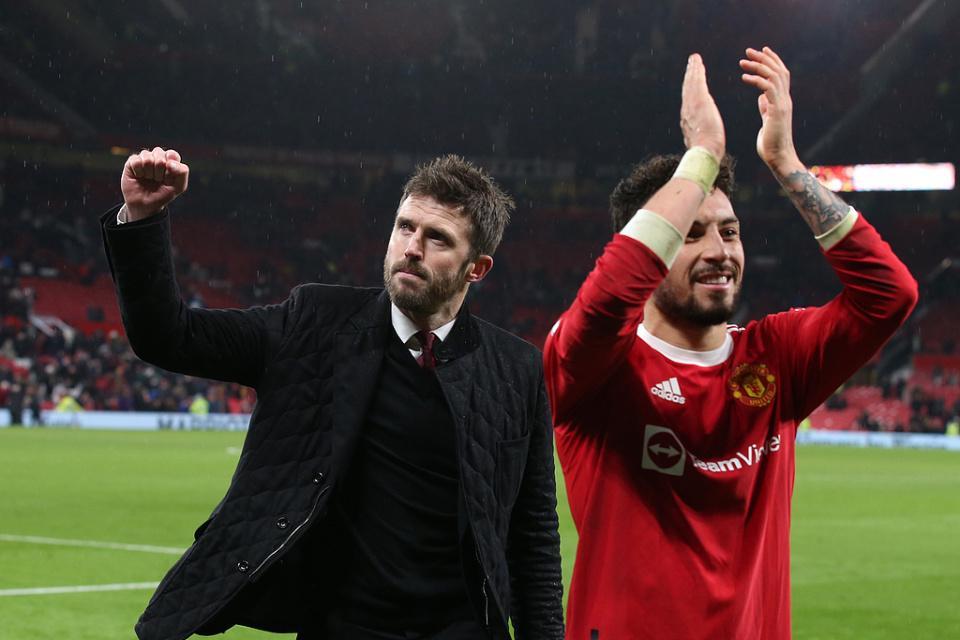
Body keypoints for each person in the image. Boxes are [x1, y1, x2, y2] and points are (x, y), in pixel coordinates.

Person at [102, 152, 563, 640]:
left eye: (438, 238)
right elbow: (169, 336)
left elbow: (532, 534)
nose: (412, 248)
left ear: (477, 268)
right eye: (405, 227)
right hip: (341, 626)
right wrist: (143, 218)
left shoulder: (515, 370)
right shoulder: (314, 322)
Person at [543, 48, 918, 639]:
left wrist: (787, 164)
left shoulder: (776, 357)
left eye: (730, 231)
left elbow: (889, 295)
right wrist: (701, 157)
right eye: (691, 234)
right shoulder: (595, 367)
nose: (720, 251)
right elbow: (608, 299)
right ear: (653, 245)